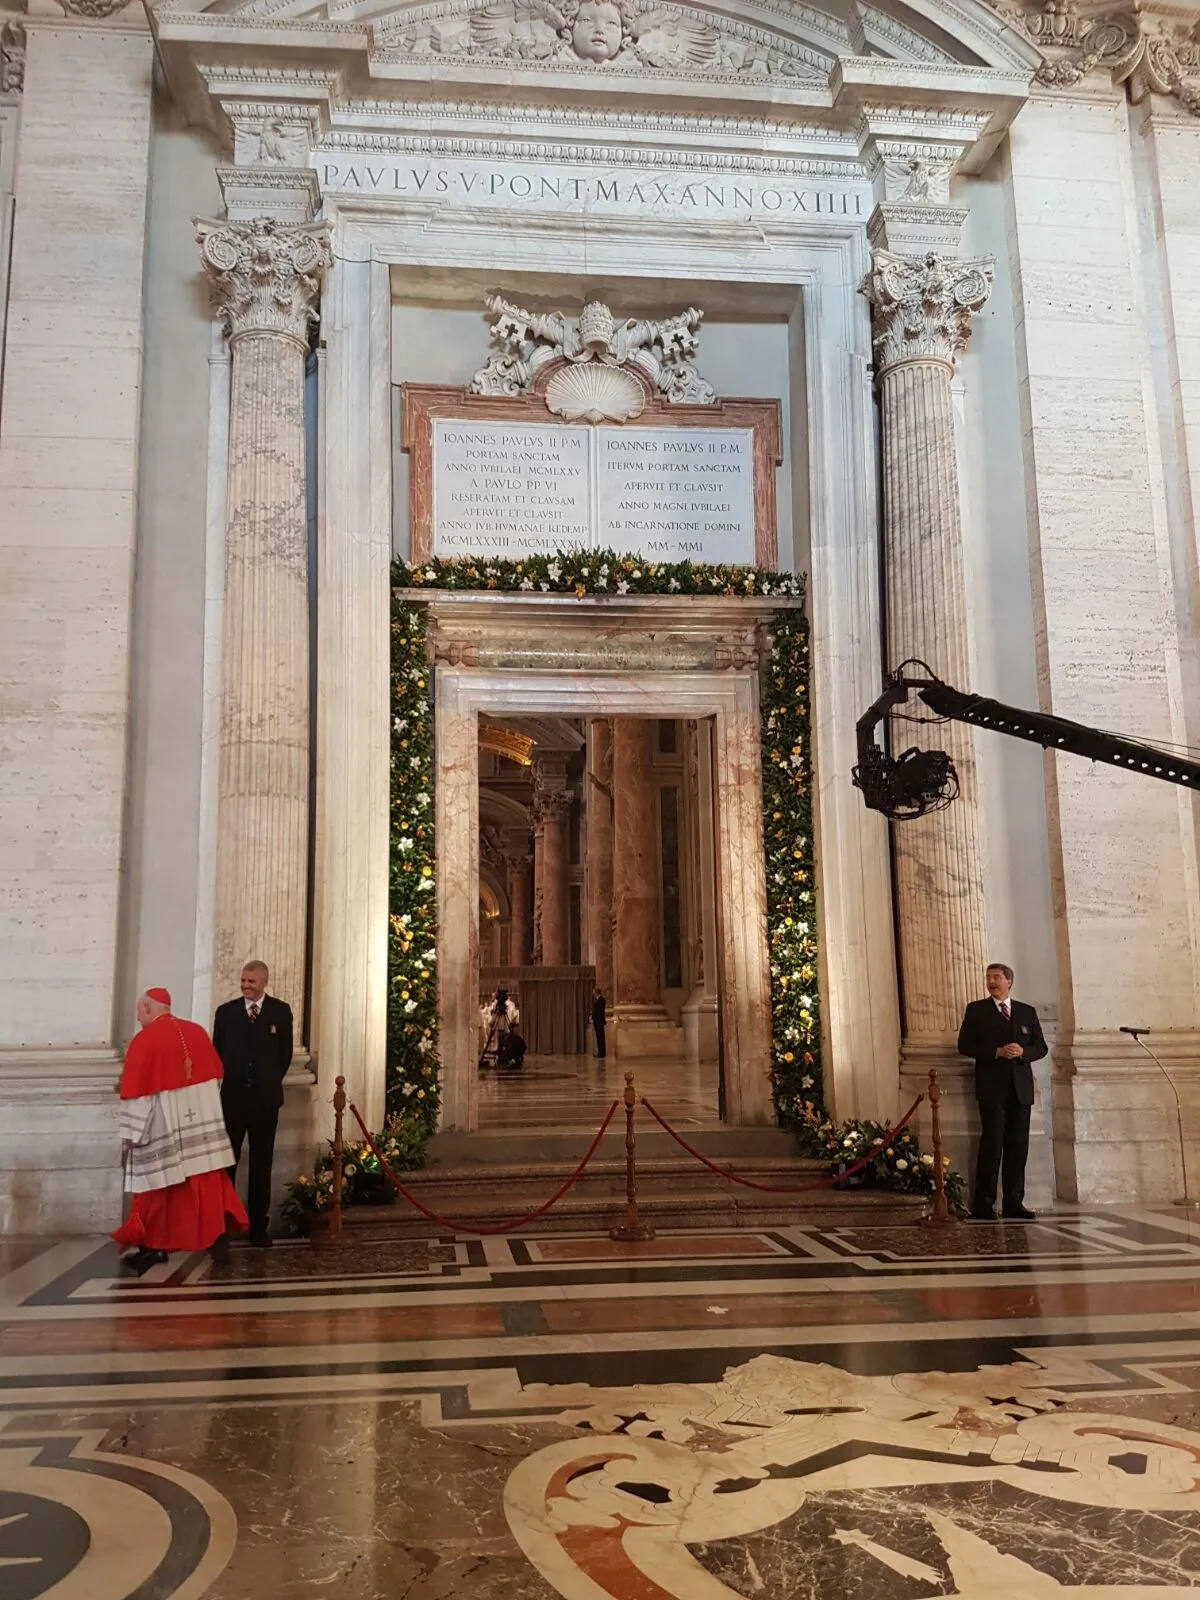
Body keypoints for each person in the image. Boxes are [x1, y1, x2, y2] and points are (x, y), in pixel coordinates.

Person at [113, 988, 247, 1276]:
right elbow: (216, 1079)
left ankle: (154, 1247)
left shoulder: (145, 1041)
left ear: (148, 1008)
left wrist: (131, 1135)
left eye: (139, 1011)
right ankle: (217, 1238)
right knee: (206, 1181)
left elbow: (137, 1094)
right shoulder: (197, 1033)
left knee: (156, 1189)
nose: (137, 1018)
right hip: (200, 1127)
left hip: (163, 1130)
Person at [957, 962, 1047, 1222]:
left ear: (1009, 981)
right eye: (988, 977)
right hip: (991, 1089)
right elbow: (965, 1045)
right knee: (992, 1145)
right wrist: (995, 1052)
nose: (991, 981)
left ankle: (1013, 1203)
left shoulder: (1027, 1012)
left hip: (1020, 1090)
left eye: (996, 977)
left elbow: (1040, 1047)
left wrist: (1023, 1053)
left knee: (1018, 1147)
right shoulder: (977, 1011)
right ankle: (984, 1205)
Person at [213, 960, 293, 1248]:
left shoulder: (280, 1012)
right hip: (233, 1100)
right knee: (227, 1164)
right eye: (243, 981)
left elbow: (284, 1056)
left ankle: (259, 1227)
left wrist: (266, 1082)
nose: (246, 985)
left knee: (261, 1164)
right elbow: (217, 1052)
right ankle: (222, 1227)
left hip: (264, 1101)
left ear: (264, 982)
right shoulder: (226, 1013)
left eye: (252, 982)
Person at [592, 989, 607, 1059]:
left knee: (601, 1038)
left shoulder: (601, 1000)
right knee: (598, 1038)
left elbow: (600, 1011)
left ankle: (602, 1053)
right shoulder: (596, 1000)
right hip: (596, 1022)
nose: (593, 993)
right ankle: (599, 1052)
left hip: (599, 1022)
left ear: (596, 992)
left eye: (593, 992)